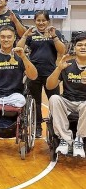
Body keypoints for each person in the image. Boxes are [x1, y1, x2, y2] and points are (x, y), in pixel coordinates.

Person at [16, 10, 66, 138]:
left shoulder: (54, 33)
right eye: (38, 20)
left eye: (44, 20)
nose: (41, 23)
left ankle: (56, 126)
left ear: (48, 21)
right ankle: (37, 126)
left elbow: (62, 50)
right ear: (35, 22)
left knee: (55, 101)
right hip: (34, 73)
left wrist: (54, 36)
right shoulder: (31, 34)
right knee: (35, 101)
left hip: (51, 74)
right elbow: (18, 49)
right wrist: (25, 36)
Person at [46, 33, 86, 158]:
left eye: (85, 45)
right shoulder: (67, 65)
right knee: (54, 98)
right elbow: (49, 86)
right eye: (79, 45)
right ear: (74, 47)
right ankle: (66, 140)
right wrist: (58, 69)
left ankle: (79, 139)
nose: (83, 47)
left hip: (84, 104)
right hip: (68, 102)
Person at [0, 26, 38, 107]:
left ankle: (4, 105)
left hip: (15, 96)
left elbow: (33, 76)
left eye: (9, 37)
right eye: (3, 37)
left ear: (14, 38)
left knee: (21, 100)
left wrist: (24, 57)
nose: (6, 40)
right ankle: (4, 105)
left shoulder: (20, 56)